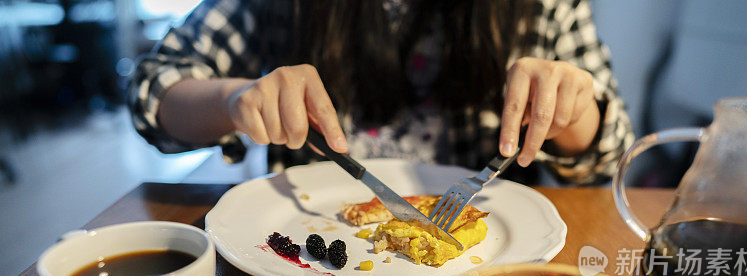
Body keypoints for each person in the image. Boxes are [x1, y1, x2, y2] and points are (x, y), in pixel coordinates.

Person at [129, 0, 633, 185]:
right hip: (315, 257)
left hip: (481, 272)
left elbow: (610, 155)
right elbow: (153, 93)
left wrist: (572, 109)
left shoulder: (545, 6)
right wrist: (232, 99)